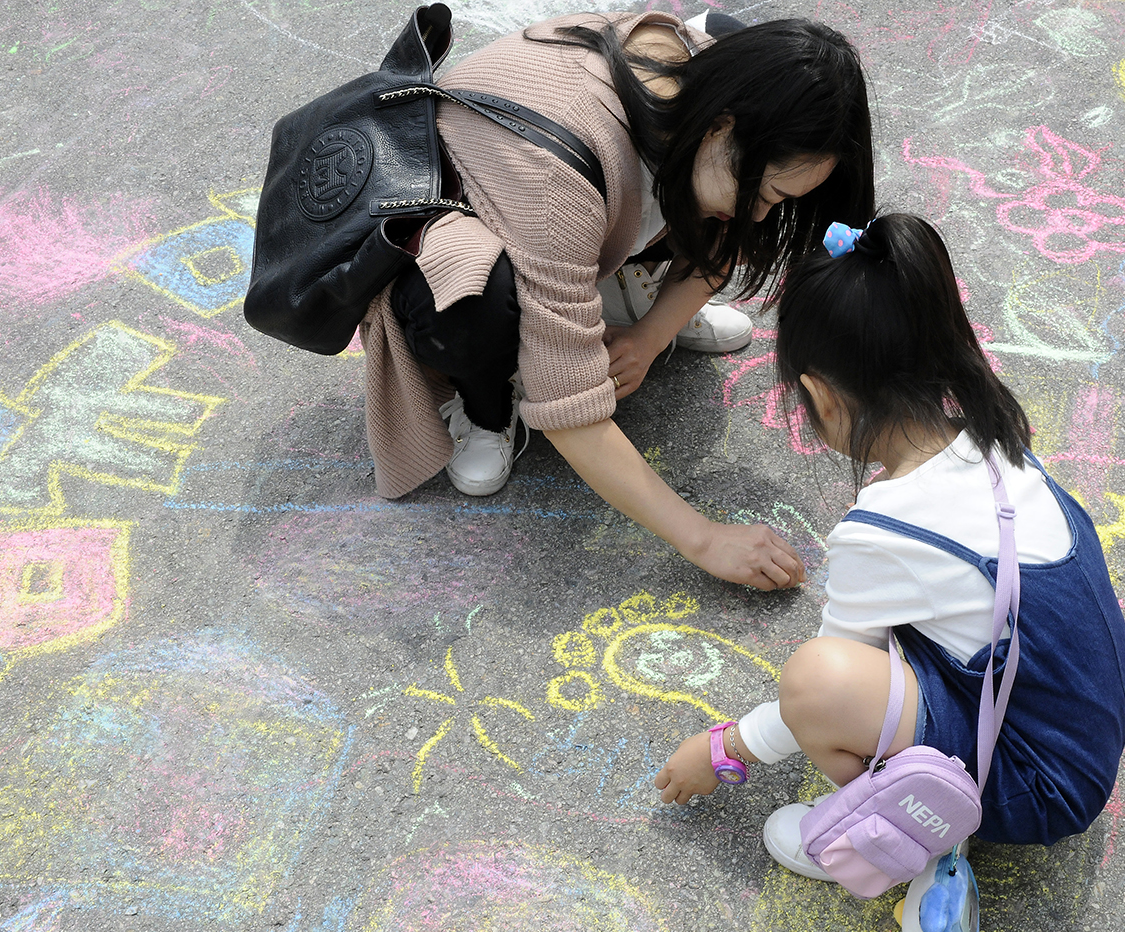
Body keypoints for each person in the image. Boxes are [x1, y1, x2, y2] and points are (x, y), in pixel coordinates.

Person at [653, 215, 1125, 916]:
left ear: (820, 396)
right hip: (1076, 724)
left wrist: (725, 749)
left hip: (1042, 783)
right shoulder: (994, 442)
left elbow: (827, 694)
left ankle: (896, 832)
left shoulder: (881, 531)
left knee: (816, 679)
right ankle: (932, 785)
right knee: (875, 655)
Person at [359, 10, 874, 592]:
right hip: (447, 246)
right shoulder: (559, 182)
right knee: (477, 300)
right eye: (771, 191)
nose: (763, 214)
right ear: (721, 128)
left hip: (578, 211)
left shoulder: (719, 67)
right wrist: (703, 538)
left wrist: (651, 335)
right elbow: (571, 409)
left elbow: (734, 225)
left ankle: (620, 300)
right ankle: (486, 404)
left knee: (713, 204)